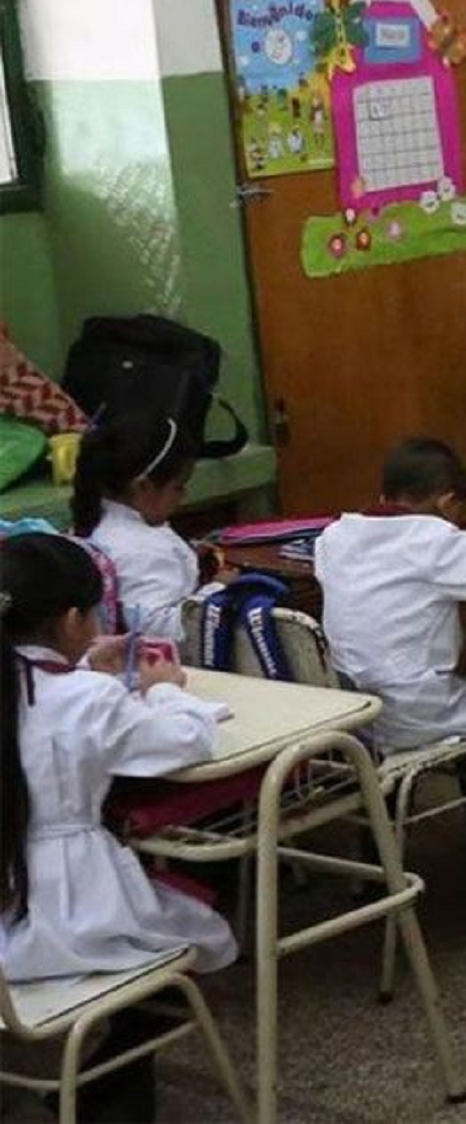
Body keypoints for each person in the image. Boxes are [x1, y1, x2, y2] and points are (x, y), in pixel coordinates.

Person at [0, 533, 239, 1120]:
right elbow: (185, 742)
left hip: (9, 917)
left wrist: (80, 665)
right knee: (201, 938)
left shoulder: (51, 686)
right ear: (74, 618)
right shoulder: (85, 697)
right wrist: (165, 693)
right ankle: (111, 1095)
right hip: (70, 911)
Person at [312, 438, 466, 760]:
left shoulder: (334, 537)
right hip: (412, 711)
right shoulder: (432, 541)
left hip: (353, 711)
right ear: (447, 503)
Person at [71, 414, 217, 640]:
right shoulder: (145, 550)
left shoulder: (96, 522)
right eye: (178, 487)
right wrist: (217, 591)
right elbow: (158, 630)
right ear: (143, 486)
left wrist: (187, 559)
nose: (184, 496)